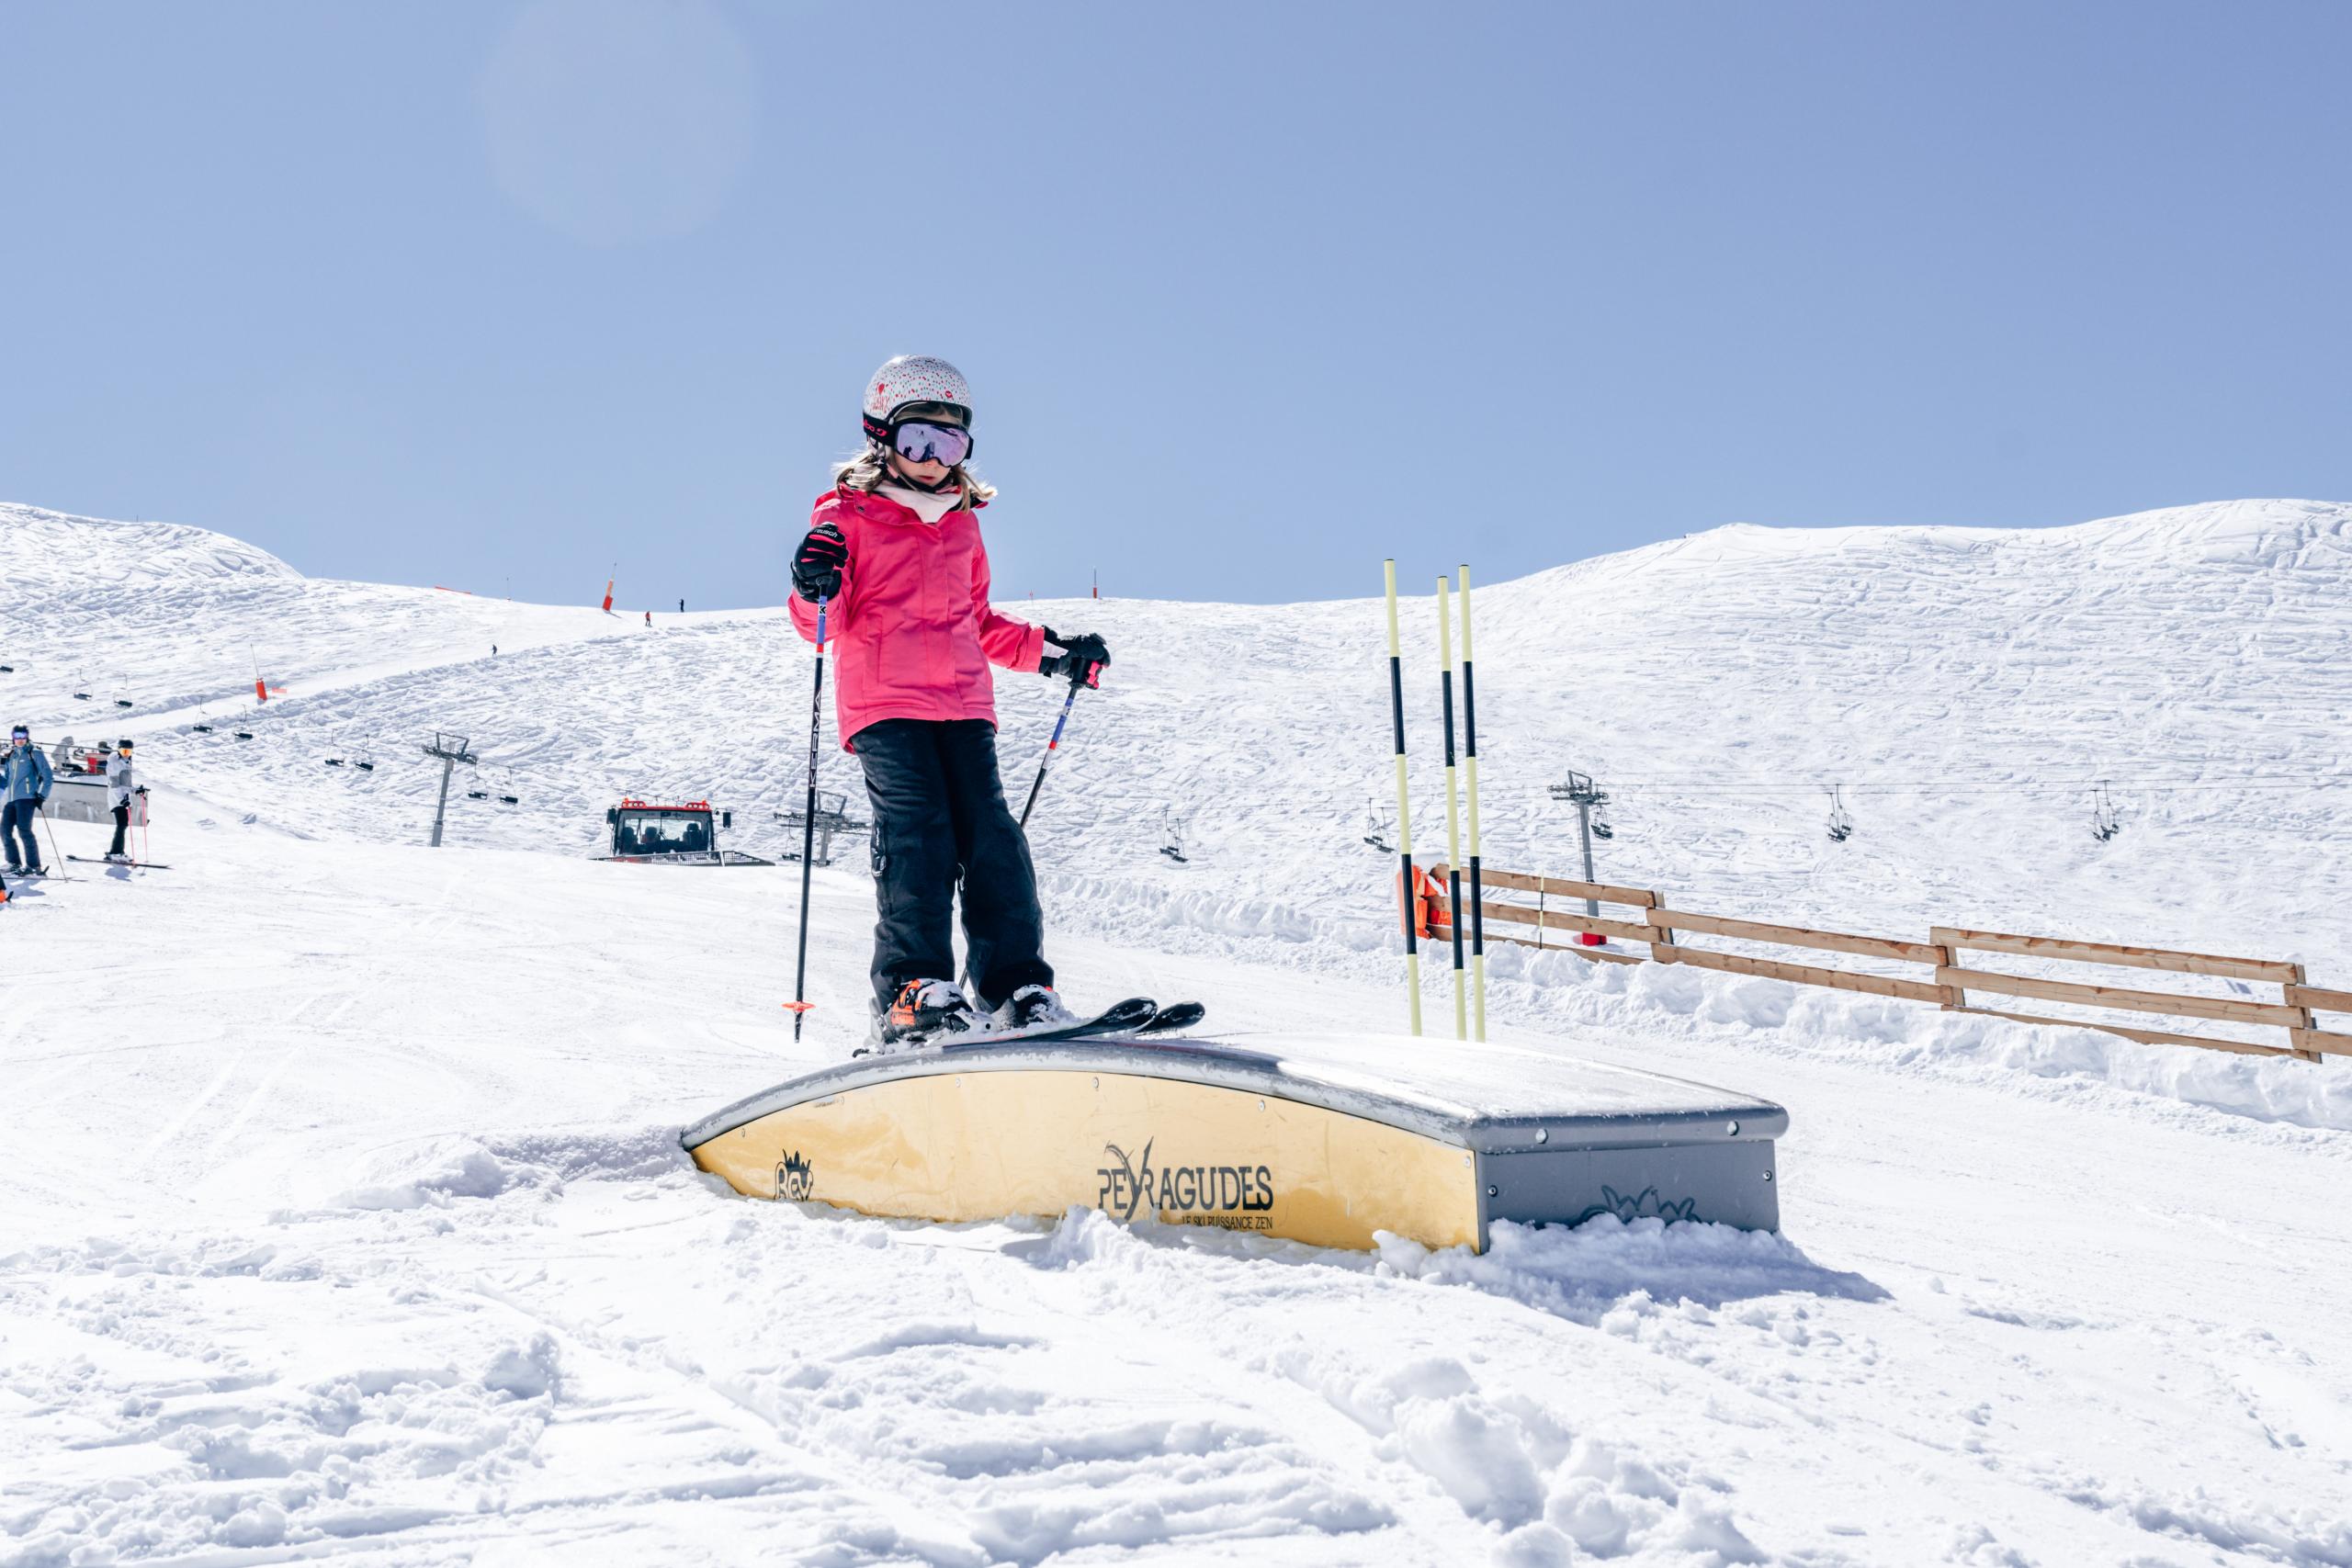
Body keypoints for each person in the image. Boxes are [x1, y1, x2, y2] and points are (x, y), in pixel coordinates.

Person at [790, 355, 1111, 1047]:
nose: (935, 459)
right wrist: (813, 580)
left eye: (950, 442)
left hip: (964, 706)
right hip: (886, 706)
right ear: (882, 439)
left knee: (994, 839)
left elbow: (979, 621)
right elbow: (826, 620)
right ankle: (913, 990)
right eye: (918, 440)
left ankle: (1017, 988)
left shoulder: (963, 526)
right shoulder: (845, 516)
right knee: (920, 835)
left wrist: (1053, 653)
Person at [3, 724, 53, 875]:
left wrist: (42, 795)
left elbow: (48, 775)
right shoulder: (12, 755)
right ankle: (13, 863)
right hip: (12, 799)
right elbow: (8, 777)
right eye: (17, 736)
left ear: (27, 737)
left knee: (24, 830)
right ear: (13, 737)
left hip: (27, 798)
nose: (20, 739)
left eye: (23, 736)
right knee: (4, 830)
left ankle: (33, 866)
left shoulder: (34, 753)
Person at [105, 738, 138, 863]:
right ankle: (116, 852)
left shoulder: (126, 763)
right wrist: (121, 800)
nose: (126, 754)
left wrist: (135, 790)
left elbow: (126, 785)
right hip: (117, 799)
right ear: (119, 750)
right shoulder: (114, 764)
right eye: (124, 751)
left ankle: (117, 851)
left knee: (123, 824)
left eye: (129, 751)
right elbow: (114, 785)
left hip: (123, 799)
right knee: (122, 824)